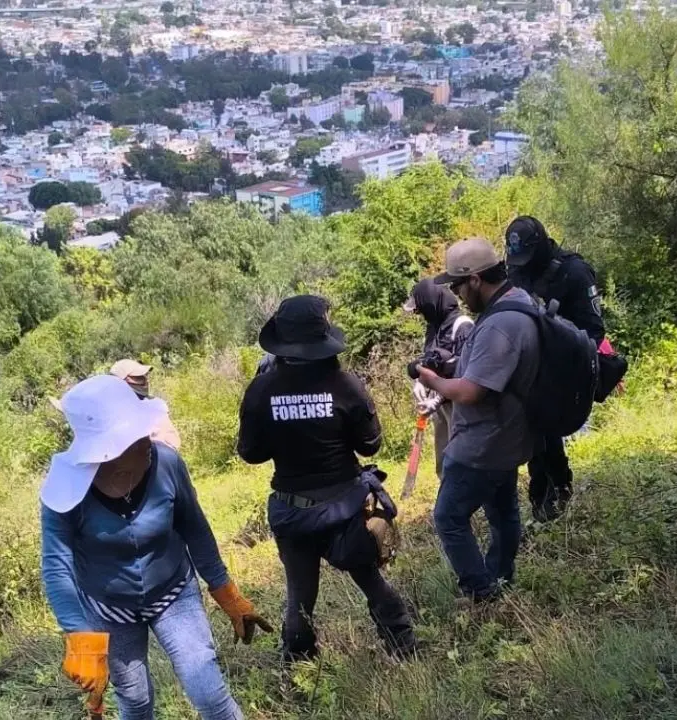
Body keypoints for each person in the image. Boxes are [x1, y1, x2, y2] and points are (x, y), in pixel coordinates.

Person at [41, 374, 270, 720]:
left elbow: (195, 529)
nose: (147, 439)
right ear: (107, 451)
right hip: (109, 609)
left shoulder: (167, 463)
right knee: (135, 700)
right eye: (134, 436)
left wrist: (226, 592)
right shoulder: (65, 490)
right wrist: (80, 638)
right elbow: (57, 567)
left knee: (208, 690)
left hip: (174, 593)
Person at [238, 295, 415, 662]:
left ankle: (299, 671)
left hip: (292, 510)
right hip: (345, 507)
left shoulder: (261, 389)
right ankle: (405, 648)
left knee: (300, 598)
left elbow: (251, 454)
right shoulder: (345, 384)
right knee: (370, 579)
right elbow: (370, 445)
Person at [419, 238, 540, 602]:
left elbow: (472, 392)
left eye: (458, 286)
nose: (456, 296)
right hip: (508, 435)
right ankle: (500, 577)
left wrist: (432, 380)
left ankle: (481, 592)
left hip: (482, 443)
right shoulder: (520, 301)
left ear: (474, 279)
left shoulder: (499, 324)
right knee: (503, 512)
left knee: (448, 518)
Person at [504, 216, 601, 522]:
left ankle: (557, 490)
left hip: (563, 368)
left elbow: (594, 331)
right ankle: (542, 497)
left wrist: (555, 330)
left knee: (548, 431)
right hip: (527, 370)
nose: (523, 265)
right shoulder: (517, 270)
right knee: (535, 437)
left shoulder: (574, 272)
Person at [404, 278, 474, 480]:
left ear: (431, 303)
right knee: (444, 461)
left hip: (459, 407)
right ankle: (447, 491)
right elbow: (429, 360)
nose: (419, 314)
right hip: (440, 404)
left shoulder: (463, 326)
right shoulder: (434, 327)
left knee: (460, 460)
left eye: (421, 309)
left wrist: (437, 399)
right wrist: (420, 382)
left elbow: (465, 371)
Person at [110, 358, 183, 451]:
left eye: (144, 376)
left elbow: (172, 440)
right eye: (138, 377)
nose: (145, 380)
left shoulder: (156, 405)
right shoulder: (110, 410)